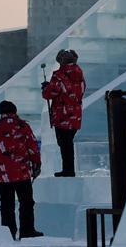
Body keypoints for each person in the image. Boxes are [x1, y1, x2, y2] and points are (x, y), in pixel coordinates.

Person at [0, 100, 44, 240]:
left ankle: (8, 233)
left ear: (1, 112)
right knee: (26, 202)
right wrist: (36, 165)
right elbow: (33, 147)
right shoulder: (22, 126)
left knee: (6, 205)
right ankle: (27, 230)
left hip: (3, 174)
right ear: (14, 111)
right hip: (22, 172)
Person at [42, 49, 86, 177]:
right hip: (75, 115)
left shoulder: (59, 76)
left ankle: (68, 170)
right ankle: (68, 169)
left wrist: (46, 87)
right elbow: (81, 91)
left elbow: (49, 94)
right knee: (68, 142)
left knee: (64, 143)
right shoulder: (79, 75)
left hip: (62, 115)